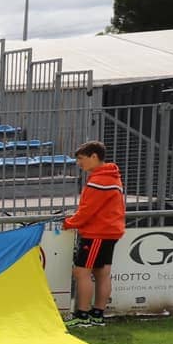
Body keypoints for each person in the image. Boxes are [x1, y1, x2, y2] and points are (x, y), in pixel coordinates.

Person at [62, 140, 125, 328]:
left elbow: (87, 211)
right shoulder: (112, 176)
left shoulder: (99, 181)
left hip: (97, 232)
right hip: (110, 231)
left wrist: (69, 223)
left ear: (94, 156)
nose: (79, 164)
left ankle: (82, 315)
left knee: (82, 272)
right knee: (102, 272)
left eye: (81, 159)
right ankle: (97, 314)